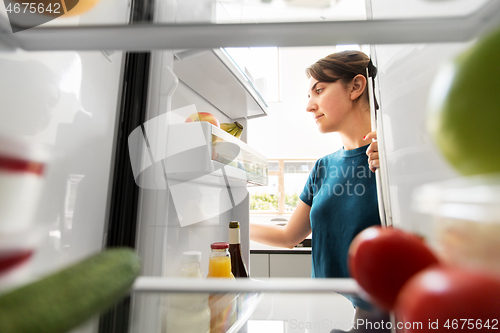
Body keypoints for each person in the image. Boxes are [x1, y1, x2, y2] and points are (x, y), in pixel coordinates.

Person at [250, 50, 388, 333]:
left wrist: (394, 155)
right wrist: (228, 223)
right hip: (322, 310)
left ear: (356, 86)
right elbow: (289, 236)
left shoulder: (388, 158)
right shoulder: (323, 167)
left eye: (319, 90)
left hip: (376, 317)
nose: (309, 106)